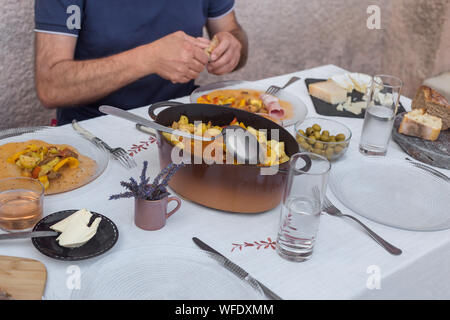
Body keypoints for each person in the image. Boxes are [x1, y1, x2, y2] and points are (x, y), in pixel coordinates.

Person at [34, 0, 248, 125]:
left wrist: (233, 46)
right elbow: (51, 87)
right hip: (95, 128)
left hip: (181, 122)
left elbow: (232, 32)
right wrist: (148, 59)